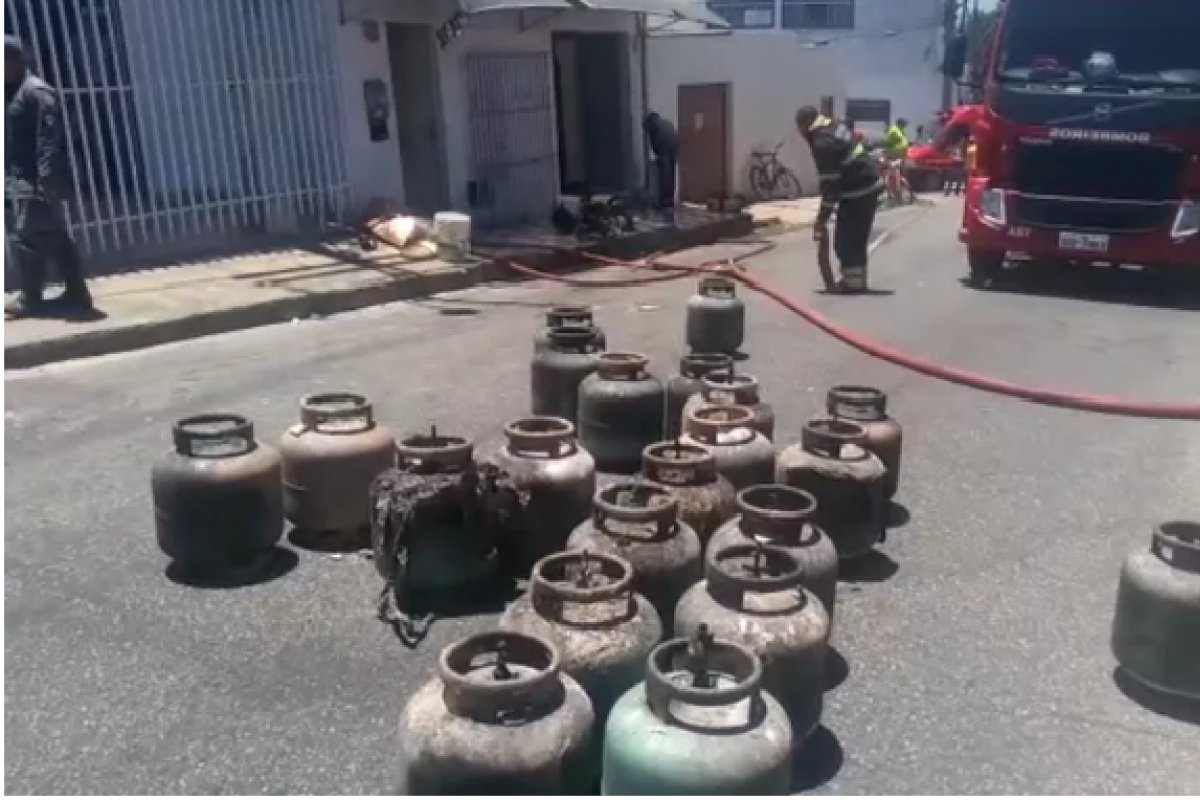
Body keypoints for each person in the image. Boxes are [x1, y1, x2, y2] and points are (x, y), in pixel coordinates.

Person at [5, 35, 92, 319]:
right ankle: (77, 292)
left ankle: (31, 298)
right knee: (53, 235)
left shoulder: (37, 92)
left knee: (26, 238)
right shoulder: (13, 91)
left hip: (35, 180)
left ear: (14, 61)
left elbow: (49, 139)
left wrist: (46, 179)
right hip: (19, 177)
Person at [795, 106, 884, 294]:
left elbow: (830, 187)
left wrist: (821, 219)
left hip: (858, 190)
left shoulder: (822, 143)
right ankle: (856, 281)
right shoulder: (834, 126)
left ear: (805, 126)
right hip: (867, 184)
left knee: (846, 241)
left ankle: (853, 283)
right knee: (856, 239)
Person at [642, 112, 679, 213]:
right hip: (674, 147)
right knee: (671, 173)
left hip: (664, 148)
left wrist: (657, 154)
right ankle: (670, 199)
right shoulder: (667, 122)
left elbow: (655, 144)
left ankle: (664, 201)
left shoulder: (653, 126)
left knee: (664, 175)